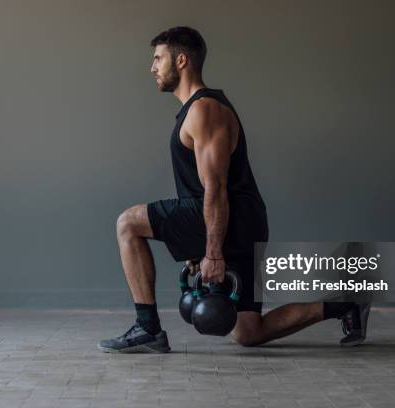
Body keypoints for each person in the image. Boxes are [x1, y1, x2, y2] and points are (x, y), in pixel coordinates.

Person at [98, 26, 370, 353]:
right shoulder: (199, 109)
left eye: (158, 58)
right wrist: (197, 245)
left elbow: (214, 188)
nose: (152, 67)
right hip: (242, 221)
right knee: (247, 331)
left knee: (127, 223)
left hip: (229, 217)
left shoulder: (204, 110)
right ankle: (344, 305)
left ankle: (147, 327)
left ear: (181, 60)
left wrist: (212, 251)